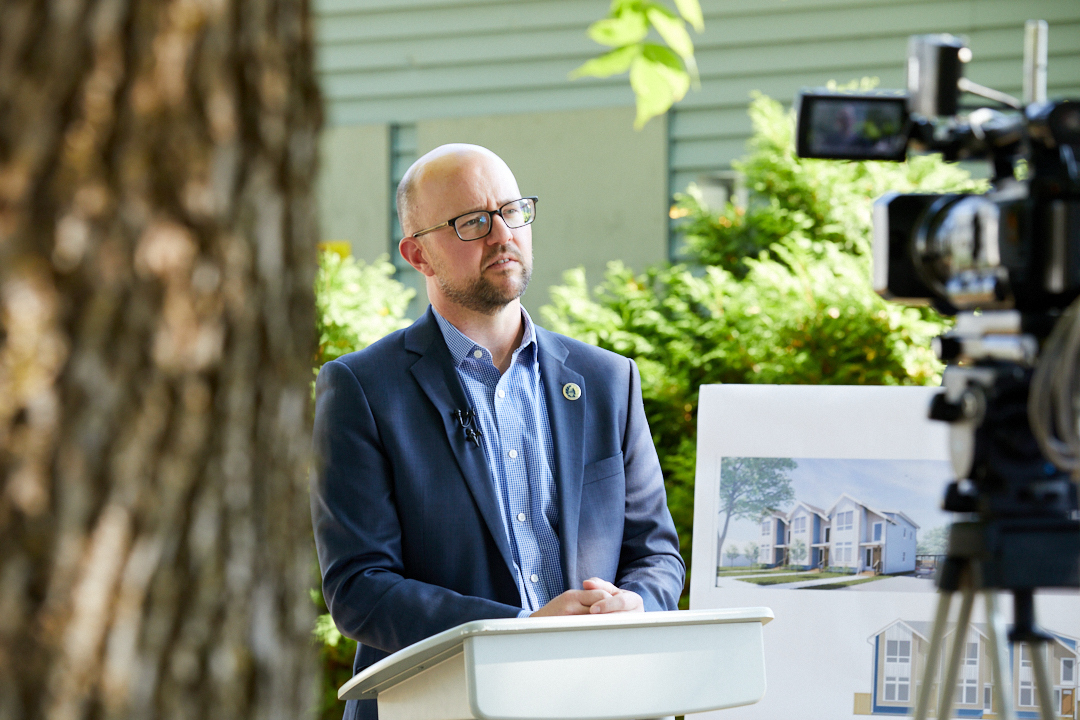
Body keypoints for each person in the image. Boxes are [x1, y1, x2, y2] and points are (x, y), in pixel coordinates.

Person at [311, 144, 685, 720]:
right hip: (440, 706)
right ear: (419, 255)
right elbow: (360, 589)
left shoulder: (607, 379)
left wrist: (633, 604)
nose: (501, 234)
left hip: (598, 701)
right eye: (471, 222)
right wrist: (517, 632)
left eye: (512, 211)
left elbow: (656, 552)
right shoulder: (362, 389)